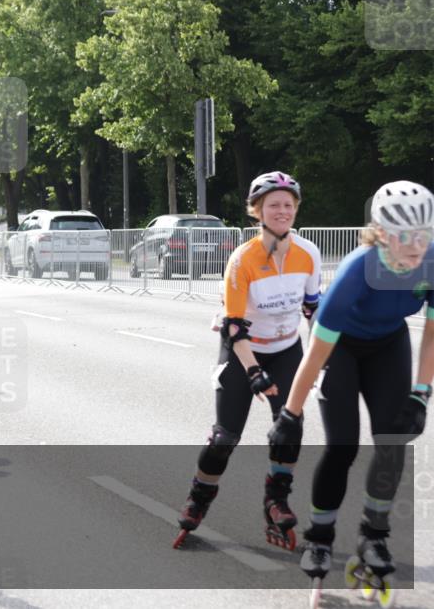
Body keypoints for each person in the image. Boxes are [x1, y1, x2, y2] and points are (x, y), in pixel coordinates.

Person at [269, 180, 434, 603]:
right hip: (340, 348)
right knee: (342, 446)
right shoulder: (358, 270)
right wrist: (290, 414)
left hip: (388, 345)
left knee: (392, 441)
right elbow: (316, 352)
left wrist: (421, 393)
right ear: (380, 234)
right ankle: (320, 536)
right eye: (403, 236)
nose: (416, 245)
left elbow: (432, 332)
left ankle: (373, 536)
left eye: (425, 234)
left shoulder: (431, 261)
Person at [174, 171, 321, 551]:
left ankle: (276, 499)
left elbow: (312, 311)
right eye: (273, 205)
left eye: (289, 205)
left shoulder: (309, 254)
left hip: (287, 349)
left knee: (290, 426)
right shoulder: (243, 260)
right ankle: (199, 498)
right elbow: (234, 328)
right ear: (257, 212)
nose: (282, 211)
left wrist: (323, 354)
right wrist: (254, 371)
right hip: (243, 351)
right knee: (225, 438)